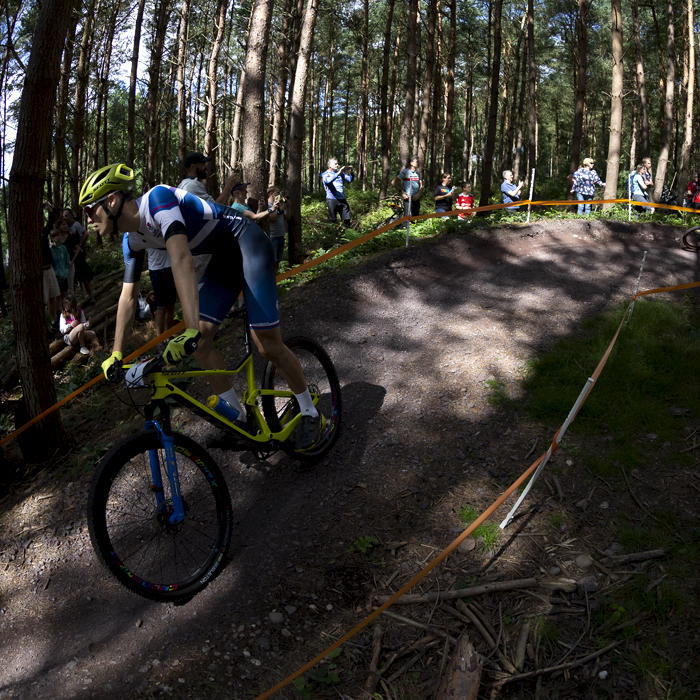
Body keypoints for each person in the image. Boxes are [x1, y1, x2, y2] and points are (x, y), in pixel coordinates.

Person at [80, 163, 321, 449]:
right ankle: (238, 418)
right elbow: (128, 297)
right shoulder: (130, 240)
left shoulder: (158, 200)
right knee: (203, 342)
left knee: (266, 345)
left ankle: (310, 410)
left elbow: (181, 259)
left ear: (111, 201)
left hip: (248, 243)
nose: (89, 220)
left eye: (89, 211)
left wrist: (190, 329)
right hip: (223, 258)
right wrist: (116, 353)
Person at [177, 152, 238, 281]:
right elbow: (214, 208)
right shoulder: (191, 186)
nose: (206, 167)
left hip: (195, 248)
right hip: (198, 251)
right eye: (203, 164)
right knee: (200, 290)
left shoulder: (187, 184)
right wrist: (228, 186)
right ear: (193, 166)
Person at [147, 248, 176, 350]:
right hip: (157, 269)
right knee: (161, 308)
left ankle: (169, 336)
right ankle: (160, 341)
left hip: (171, 266)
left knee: (171, 305)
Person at [63, 209, 95, 303]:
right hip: (68, 257)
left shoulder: (76, 225)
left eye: (66, 215)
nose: (65, 217)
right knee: (72, 281)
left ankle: (91, 296)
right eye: (63, 216)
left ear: (71, 215)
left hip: (78, 256)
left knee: (84, 277)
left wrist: (81, 245)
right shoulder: (63, 227)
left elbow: (86, 233)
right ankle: (73, 302)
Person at [41, 201, 62, 332]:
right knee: (44, 300)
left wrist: (49, 209)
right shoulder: (29, 237)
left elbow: (52, 219)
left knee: (53, 296)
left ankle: (54, 320)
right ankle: (44, 324)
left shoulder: (43, 232)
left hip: (50, 269)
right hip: (41, 272)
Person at [321, 158, 354, 227]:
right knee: (333, 220)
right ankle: (333, 236)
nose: (337, 165)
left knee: (347, 218)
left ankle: (346, 235)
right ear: (330, 165)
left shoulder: (340, 174)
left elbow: (350, 179)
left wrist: (351, 172)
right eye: (335, 164)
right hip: (332, 199)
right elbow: (328, 181)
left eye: (337, 163)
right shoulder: (325, 174)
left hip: (342, 199)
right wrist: (338, 173)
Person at [392, 156, 423, 228]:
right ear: (411, 163)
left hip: (416, 199)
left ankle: (414, 237)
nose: (418, 163)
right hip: (408, 199)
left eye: (418, 161)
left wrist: (419, 194)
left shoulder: (418, 173)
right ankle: (404, 236)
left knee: (415, 219)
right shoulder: (406, 172)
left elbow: (421, 186)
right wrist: (402, 192)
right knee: (407, 221)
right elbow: (393, 182)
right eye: (417, 161)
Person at [267, 186, 290, 273]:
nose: (279, 195)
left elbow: (288, 217)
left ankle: (276, 280)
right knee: (272, 261)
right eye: (278, 192)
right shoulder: (268, 205)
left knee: (277, 261)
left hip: (281, 236)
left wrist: (287, 206)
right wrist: (283, 207)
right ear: (271, 194)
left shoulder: (280, 205)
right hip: (272, 237)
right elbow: (272, 218)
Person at [49, 226, 71, 299]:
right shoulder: (50, 250)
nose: (60, 237)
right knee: (56, 296)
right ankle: (58, 309)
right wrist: (55, 273)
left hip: (64, 276)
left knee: (64, 294)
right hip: (55, 277)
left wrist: (66, 271)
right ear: (52, 238)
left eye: (60, 235)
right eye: (57, 235)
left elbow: (67, 260)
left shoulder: (63, 248)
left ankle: (64, 309)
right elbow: (50, 264)